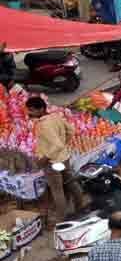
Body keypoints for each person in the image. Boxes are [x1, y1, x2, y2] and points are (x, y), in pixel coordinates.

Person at [27, 96, 84, 225]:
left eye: (31, 110)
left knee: (57, 191)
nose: (29, 113)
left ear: (41, 109)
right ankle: (80, 208)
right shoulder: (56, 116)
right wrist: (65, 143)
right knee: (71, 183)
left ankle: (61, 219)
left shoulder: (43, 125)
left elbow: (57, 145)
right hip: (64, 158)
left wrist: (45, 159)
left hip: (52, 162)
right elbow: (71, 130)